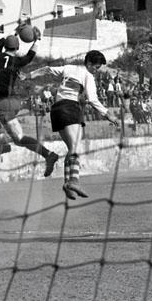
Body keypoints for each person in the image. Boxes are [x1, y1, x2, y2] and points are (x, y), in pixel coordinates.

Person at [30, 50, 119, 200]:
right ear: (89, 63)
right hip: (69, 108)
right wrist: (107, 114)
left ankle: (67, 183)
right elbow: (93, 99)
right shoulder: (88, 76)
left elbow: (47, 69)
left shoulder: (69, 67)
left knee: (72, 148)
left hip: (56, 110)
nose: (96, 71)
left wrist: (29, 75)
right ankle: (74, 181)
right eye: (96, 67)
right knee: (76, 147)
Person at [0, 31, 59, 175]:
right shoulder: (17, 61)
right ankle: (4, 144)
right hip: (10, 101)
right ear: (17, 48)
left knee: (19, 137)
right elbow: (30, 55)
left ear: (5, 46)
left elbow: (0, 43)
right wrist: (37, 40)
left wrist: (14, 33)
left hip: (4, 102)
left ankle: (49, 155)